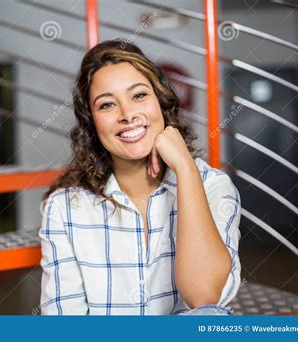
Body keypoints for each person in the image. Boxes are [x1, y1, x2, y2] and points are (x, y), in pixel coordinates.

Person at [38, 39, 241, 315]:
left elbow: (204, 297)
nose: (127, 114)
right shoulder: (64, 208)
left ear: (161, 103)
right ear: (91, 123)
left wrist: (185, 168)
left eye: (139, 95)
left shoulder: (213, 186)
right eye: (107, 105)